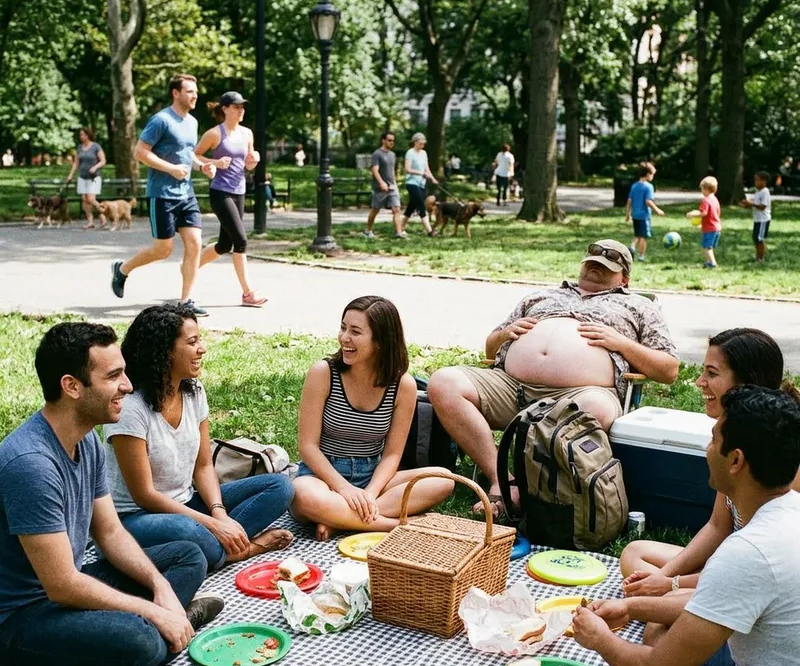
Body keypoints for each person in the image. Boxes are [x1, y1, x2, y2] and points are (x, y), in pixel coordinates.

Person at [545, 385, 800, 666]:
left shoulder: (749, 550)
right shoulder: (788, 512)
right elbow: (704, 608)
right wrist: (633, 606)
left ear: (736, 460)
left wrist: (599, 638)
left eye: (714, 438)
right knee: (666, 625)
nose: (706, 448)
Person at [0, 323, 224, 666]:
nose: (126, 385)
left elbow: (110, 532)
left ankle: (160, 624)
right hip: (19, 619)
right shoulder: (31, 464)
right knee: (139, 639)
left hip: (67, 588)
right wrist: (153, 611)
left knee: (187, 555)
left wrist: (161, 589)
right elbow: (63, 586)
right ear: (72, 386)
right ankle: (111, 655)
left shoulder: (86, 437)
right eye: (114, 376)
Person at [427, 240, 679, 518]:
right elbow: (491, 348)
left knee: (596, 409)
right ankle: (501, 478)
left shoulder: (638, 306)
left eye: (605, 268)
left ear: (624, 279)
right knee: (444, 382)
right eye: (592, 264)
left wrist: (621, 343)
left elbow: (668, 370)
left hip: (580, 393)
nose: (595, 270)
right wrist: (505, 334)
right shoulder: (541, 296)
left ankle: (536, 490)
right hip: (511, 387)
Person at [104, 304, 295, 571]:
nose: (202, 349)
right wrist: (214, 525)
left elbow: (204, 466)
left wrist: (218, 513)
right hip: (136, 518)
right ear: (164, 351)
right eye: (192, 342)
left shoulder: (194, 391)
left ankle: (220, 547)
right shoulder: (130, 408)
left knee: (281, 487)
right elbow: (145, 495)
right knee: (191, 531)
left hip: (187, 503)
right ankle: (242, 549)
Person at [620, 328, 800, 595]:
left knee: (661, 617)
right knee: (635, 553)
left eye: (712, 374)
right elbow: (718, 526)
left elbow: (757, 564)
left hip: (757, 577)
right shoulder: (731, 432)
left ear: (746, 383)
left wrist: (671, 585)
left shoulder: (775, 450)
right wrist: (661, 580)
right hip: (729, 565)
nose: (699, 382)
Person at [291, 295, 455, 541]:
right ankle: (391, 525)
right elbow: (308, 447)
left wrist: (369, 493)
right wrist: (344, 489)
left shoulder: (403, 385)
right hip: (322, 476)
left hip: (373, 476)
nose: (344, 337)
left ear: (380, 341)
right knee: (301, 495)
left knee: (444, 479)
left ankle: (338, 520)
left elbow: (392, 455)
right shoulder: (323, 373)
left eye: (356, 331)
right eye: (343, 327)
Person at [110, 74, 216, 317]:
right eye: (189, 91)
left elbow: (187, 153)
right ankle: (122, 270)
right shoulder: (161, 120)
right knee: (163, 250)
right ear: (176, 93)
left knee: (195, 243)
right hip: (162, 194)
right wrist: (170, 169)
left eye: (196, 91)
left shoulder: (192, 122)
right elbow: (140, 152)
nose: (194, 95)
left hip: (186, 193)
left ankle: (186, 301)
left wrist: (202, 167)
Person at [194, 92, 266, 308]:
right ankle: (248, 294)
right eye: (236, 107)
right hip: (220, 192)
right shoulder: (215, 134)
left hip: (239, 191)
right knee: (241, 241)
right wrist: (214, 161)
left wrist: (255, 159)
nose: (241, 110)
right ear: (225, 109)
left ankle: (189, 266)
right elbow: (194, 156)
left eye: (242, 107)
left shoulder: (247, 134)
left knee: (225, 244)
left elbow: (249, 163)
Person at [365, 132, 406, 239]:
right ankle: (368, 230)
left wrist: (395, 184)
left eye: (393, 140)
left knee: (396, 209)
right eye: (389, 140)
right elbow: (374, 170)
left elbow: (392, 171)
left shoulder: (393, 155)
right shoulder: (377, 154)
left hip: (392, 187)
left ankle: (398, 233)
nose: (392, 142)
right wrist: (381, 182)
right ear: (383, 140)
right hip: (380, 188)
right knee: (375, 209)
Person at [65, 127, 107, 229]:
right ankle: (90, 221)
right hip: (82, 177)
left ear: (87, 135)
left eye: (82, 134)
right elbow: (76, 163)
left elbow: (103, 161)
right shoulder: (79, 148)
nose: (81, 136)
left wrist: (95, 167)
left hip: (94, 177)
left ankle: (103, 215)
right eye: (80, 135)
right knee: (84, 199)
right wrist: (70, 175)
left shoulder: (96, 147)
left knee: (91, 199)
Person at [625, 161, 664, 262]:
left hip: (635, 215)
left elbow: (630, 200)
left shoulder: (634, 186)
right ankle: (641, 256)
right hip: (644, 216)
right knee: (643, 236)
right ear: (647, 174)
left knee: (637, 234)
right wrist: (657, 210)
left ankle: (632, 247)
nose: (653, 177)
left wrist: (628, 214)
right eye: (652, 174)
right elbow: (648, 201)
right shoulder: (648, 187)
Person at [401, 132, 438, 236]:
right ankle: (429, 231)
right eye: (421, 143)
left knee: (411, 207)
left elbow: (427, 169)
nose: (422, 145)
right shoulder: (410, 152)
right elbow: (407, 169)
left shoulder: (424, 153)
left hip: (421, 183)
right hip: (412, 183)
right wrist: (420, 173)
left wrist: (433, 178)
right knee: (421, 205)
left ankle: (400, 228)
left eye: (423, 144)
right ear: (415, 142)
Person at [687, 175, 721, 269]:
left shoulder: (706, 200)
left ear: (705, 189)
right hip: (716, 227)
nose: (701, 191)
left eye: (701, 189)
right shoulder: (715, 199)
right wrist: (702, 224)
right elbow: (715, 214)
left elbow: (704, 213)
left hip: (710, 228)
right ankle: (709, 261)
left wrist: (692, 214)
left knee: (706, 247)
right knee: (709, 247)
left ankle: (712, 263)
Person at [740, 170, 772, 263]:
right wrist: (746, 205)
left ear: (764, 181)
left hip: (763, 219)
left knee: (759, 238)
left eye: (757, 180)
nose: (755, 182)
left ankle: (760, 259)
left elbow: (762, 206)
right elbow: (755, 204)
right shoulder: (758, 192)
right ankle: (758, 256)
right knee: (755, 237)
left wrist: (751, 203)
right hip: (757, 219)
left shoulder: (765, 191)